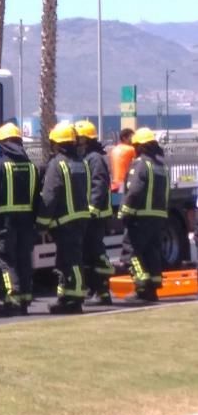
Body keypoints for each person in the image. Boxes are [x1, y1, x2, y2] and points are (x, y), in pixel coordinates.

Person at [0, 122, 39, 316]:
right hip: (27, 224)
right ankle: (24, 299)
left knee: (5, 261)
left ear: (2, 144)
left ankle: (11, 299)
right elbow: (37, 197)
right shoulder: (32, 167)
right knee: (24, 260)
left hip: (6, 224)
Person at [37, 121, 90, 314]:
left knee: (69, 260)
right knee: (71, 258)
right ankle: (67, 297)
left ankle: (73, 300)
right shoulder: (80, 163)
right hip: (81, 218)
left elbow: (50, 196)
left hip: (65, 221)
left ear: (57, 144)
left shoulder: (57, 164)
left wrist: (42, 223)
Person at [120, 127, 170, 304]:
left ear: (140, 147)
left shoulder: (140, 164)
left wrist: (124, 212)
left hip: (140, 218)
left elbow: (134, 191)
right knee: (152, 252)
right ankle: (152, 289)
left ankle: (141, 287)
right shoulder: (161, 166)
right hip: (158, 217)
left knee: (131, 253)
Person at [75, 120, 115, 306]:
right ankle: (95, 290)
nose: (76, 142)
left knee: (95, 253)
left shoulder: (95, 158)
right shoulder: (87, 157)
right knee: (88, 255)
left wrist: (91, 209)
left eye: (79, 138)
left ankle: (102, 291)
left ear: (86, 139)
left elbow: (98, 185)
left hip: (95, 216)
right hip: (89, 215)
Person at [109, 128, 136, 193]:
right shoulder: (131, 149)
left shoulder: (113, 150)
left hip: (114, 184)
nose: (133, 140)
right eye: (131, 137)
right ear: (124, 138)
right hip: (124, 184)